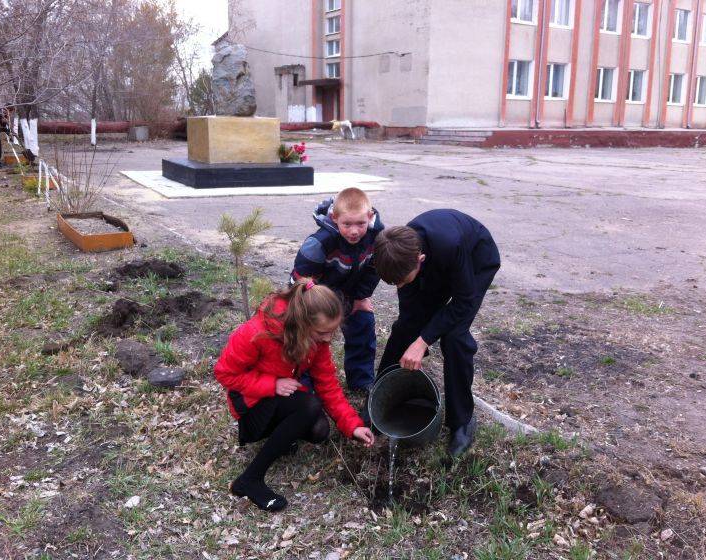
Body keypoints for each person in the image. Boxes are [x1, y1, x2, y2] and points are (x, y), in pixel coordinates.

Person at [214, 279, 375, 512]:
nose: (328, 339)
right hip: (250, 408)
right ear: (302, 322)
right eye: (322, 332)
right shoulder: (256, 332)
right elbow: (224, 374)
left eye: (332, 331)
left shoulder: (315, 341)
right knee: (308, 405)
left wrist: (353, 426)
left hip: (276, 401)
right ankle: (249, 479)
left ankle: (281, 438)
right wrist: (272, 384)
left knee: (320, 430)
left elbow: (327, 384)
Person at [373, 209, 501, 458]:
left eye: (401, 281)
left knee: (455, 337)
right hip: (436, 263)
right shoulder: (395, 249)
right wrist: (413, 334)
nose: (399, 287)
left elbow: (463, 301)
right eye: (393, 283)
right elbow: (410, 307)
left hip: (475, 260)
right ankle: (378, 398)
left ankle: (462, 422)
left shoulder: (449, 245)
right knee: (406, 325)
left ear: (420, 259)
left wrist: (423, 341)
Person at [290, 187, 384, 393]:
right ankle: (305, 381)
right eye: (347, 224)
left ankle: (361, 379)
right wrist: (306, 309)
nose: (354, 231)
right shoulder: (318, 243)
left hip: (349, 292)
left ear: (370, 216)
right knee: (310, 335)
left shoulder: (376, 237)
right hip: (317, 295)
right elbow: (300, 279)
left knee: (363, 322)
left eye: (361, 223)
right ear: (334, 218)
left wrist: (361, 297)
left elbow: (374, 269)